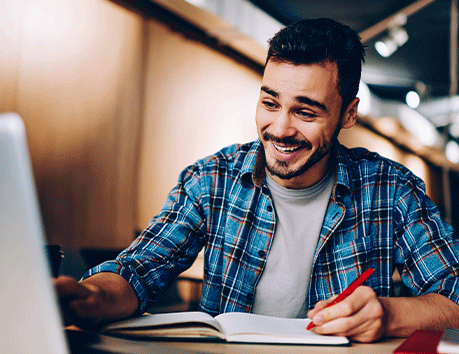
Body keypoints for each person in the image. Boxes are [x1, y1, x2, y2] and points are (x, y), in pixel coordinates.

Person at [55, 18, 459, 343]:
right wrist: (91, 297)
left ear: (348, 114)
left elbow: (455, 294)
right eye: (270, 102)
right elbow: (138, 270)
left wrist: (389, 314)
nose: (279, 128)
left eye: (306, 112)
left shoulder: (392, 189)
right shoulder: (212, 179)